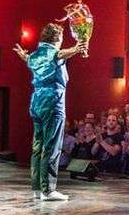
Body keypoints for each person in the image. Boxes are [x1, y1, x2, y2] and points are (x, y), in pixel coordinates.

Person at [12, 23, 86, 201]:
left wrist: (24, 55)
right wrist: (77, 48)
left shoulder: (35, 55)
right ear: (56, 38)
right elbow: (60, 54)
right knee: (51, 146)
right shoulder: (54, 52)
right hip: (53, 102)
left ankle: (37, 188)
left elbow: (29, 60)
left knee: (37, 146)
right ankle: (48, 189)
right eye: (60, 39)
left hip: (36, 102)